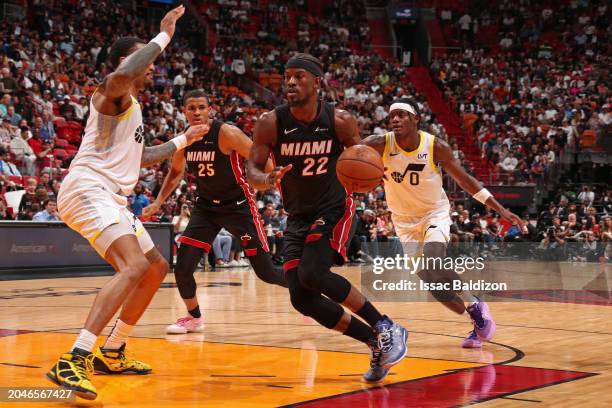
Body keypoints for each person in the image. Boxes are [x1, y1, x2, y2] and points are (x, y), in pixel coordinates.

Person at [47, 6, 209, 400]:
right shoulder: (110, 94)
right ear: (125, 61)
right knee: (133, 265)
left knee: (155, 267)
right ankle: (75, 357)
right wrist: (164, 36)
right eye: (147, 57)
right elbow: (121, 75)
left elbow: (142, 157)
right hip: (88, 188)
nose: (155, 65)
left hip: (111, 197)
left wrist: (183, 140)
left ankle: (113, 349)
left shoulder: (133, 107)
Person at [247, 53, 407, 383]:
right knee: (300, 297)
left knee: (313, 273)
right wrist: (264, 179)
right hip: (297, 215)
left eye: (299, 76)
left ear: (317, 82)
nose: (290, 82)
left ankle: (386, 325)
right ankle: (375, 342)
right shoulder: (270, 123)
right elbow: (251, 168)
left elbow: (360, 158)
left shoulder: (340, 120)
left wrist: (370, 177)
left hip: (333, 207)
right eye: (287, 76)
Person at [362, 98, 523, 348]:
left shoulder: (436, 146)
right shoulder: (379, 144)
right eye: (392, 115)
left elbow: (467, 181)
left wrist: (500, 209)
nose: (395, 119)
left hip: (433, 214)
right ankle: (475, 310)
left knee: (433, 257)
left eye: (402, 115)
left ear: (416, 119)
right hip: (404, 223)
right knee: (436, 288)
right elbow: (349, 155)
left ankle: (476, 306)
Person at [142, 89, 286, 335]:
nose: (196, 112)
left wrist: (273, 182)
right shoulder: (184, 140)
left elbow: (261, 160)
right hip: (206, 207)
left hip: (238, 206)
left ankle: (307, 287)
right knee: (183, 267)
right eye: (191, 108)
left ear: (210, 110)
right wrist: (158, 202)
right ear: (184, 111)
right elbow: (176, 173)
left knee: (267, 272)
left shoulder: (227, 133)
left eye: (201, 107)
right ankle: (193, 317)